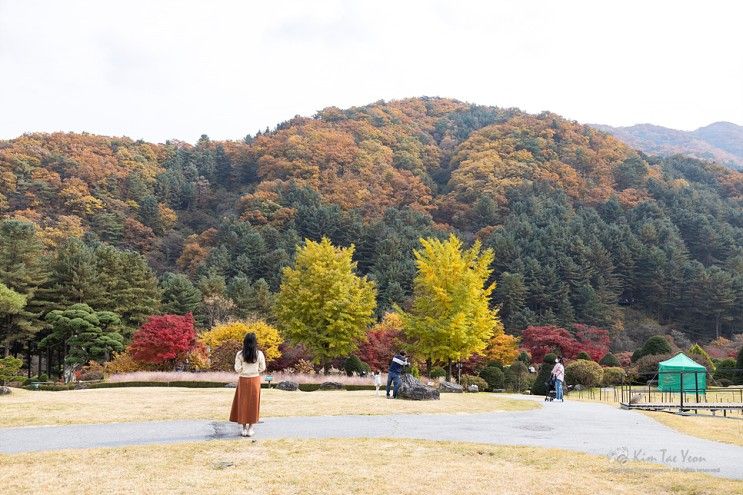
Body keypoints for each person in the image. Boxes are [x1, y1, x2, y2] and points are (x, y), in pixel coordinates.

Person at [230, 332, 266, 437]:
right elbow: (262, 368)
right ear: (255, 342)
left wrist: (244, 370)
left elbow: (237, 369)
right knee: (253, 404)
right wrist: (255, 370)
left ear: (244, 342)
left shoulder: (240, 354)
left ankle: (244, 429)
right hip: (255, 379)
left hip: (243, 380)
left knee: (243, 403)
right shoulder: (259, 354)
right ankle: (251, 428)